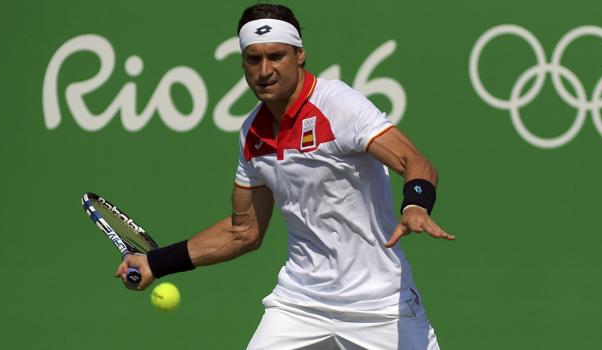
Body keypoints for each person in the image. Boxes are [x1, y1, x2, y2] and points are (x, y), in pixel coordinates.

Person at [117, 4, 454, 349]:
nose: (264, 70)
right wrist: (156, 263)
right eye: (253, 59)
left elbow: (414, 161)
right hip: (299, 304)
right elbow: (243, 231)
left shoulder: (340, 106)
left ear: (300, 55)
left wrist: (416, 204)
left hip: (381, 305)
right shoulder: (252, 133)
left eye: (276, 56)